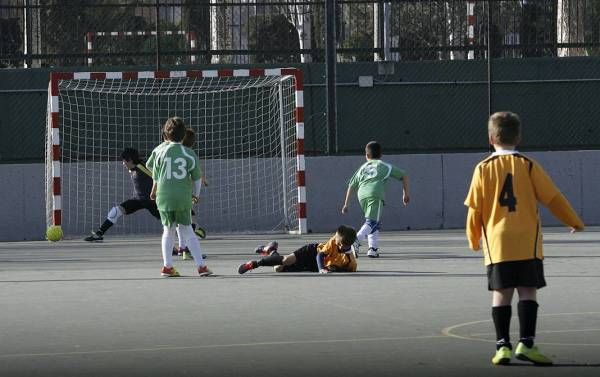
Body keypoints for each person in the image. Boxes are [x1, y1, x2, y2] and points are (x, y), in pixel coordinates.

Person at [464, 111, 584, 366]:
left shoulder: (482, 168)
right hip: (527, 241)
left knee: (501, 292)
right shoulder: (528, 165)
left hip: (498, 243)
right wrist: (573, 220)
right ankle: (527, 344)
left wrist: (473, 238)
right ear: (518, 136)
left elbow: (475, 209)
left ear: (490, 138)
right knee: (528, 290)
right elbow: (553, 198)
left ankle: (502, 346)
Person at [147, 117, 212, 277]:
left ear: (165, 135)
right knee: (187, 230)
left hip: (163, 197)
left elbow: (152, 169)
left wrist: (154, 189)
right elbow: (197, 178)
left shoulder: (159, 151)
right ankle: (201, 267)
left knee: (167, 230)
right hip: (182, 198)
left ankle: (167, 267)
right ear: (184, 136)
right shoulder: (189, 153)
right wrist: (195, 195)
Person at [341, 141, 410, 258]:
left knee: (374, 221)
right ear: (381, 155)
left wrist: (346, 204)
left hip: (361, 195)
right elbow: (404, 175)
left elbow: (351, 185)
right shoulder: (384, 166)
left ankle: (373, 249)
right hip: (375, 194)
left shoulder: (362, 168)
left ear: (366, 156)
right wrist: (405, 194)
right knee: (372, 222)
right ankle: (355, 240)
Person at [84, 148, 160, 241]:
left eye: (124, 161)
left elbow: (158, 178)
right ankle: (99, 234)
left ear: (130, 160)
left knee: (170, 222)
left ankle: (181, 244)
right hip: (138, 200)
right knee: (116, 211)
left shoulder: (143, 167)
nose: (123, 164)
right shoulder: (132, 168)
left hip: (152, 201)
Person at [238, 225, 357, 274]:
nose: (340, 246)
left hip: (312, 266)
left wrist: (331, 268)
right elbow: (319, 256)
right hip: (311, 252)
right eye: (339, 243)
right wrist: (322, 269)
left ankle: (271, 250)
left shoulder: (350, 261)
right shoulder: (333, 242)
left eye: (344, 246)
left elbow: (347, 270)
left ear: (350, 245)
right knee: (285, 260)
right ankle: (253, 264)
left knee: (278, 268)